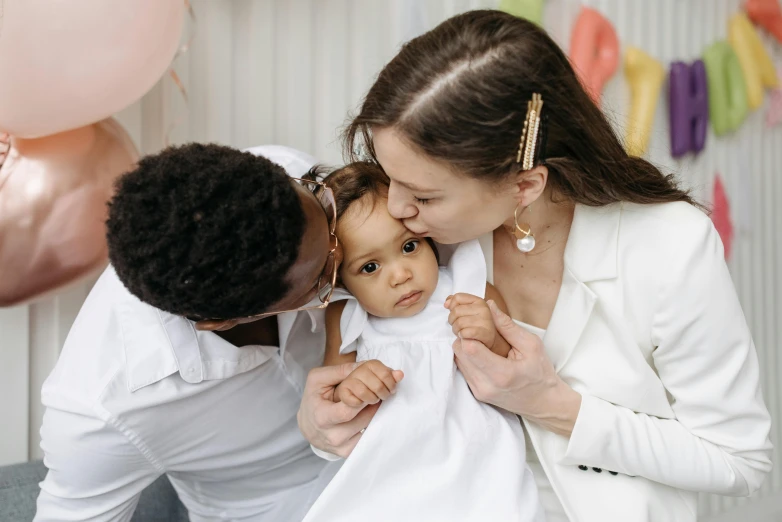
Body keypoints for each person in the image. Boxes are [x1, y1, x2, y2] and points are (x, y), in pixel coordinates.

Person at [297, 10, 773, 522]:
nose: (397, 211)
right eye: (393, 181)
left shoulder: (670, 245)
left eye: (425, 196)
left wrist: (551, 404)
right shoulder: (417, 246)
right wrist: (324, 426)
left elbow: (739, 460)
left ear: (525, 185)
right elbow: (388, 401)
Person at [34, 143, 352, 522]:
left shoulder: (293, 178)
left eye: (328, 217)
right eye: (324, 277)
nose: (345, 251)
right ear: (224, 321)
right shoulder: (102, 411)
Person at [301, 162, 543, 521]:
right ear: (342, 283)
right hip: (392, 468)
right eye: (370, 267)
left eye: (409, 246)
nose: (401, 275)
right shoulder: (349, 317)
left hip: (475, 458)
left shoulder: (468, 286)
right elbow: (334, 394)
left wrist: (489, 336)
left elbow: (515, 367)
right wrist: (354, 387)